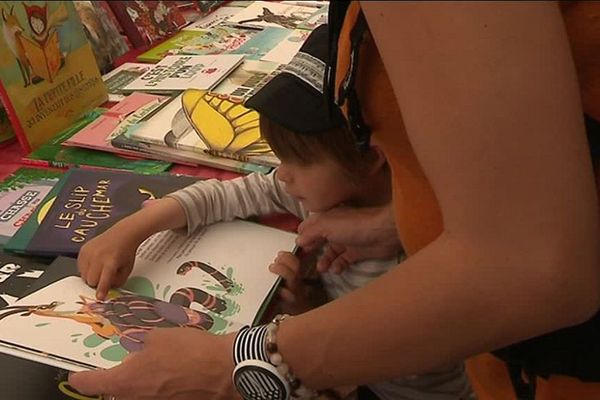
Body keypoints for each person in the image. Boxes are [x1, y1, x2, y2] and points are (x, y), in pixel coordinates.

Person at [69, 2, 600, 400]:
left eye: (295, 162)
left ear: (371, 157)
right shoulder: (332, 198)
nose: (281, 175)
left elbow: (522, 266)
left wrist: (240, 364)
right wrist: (131, 228)